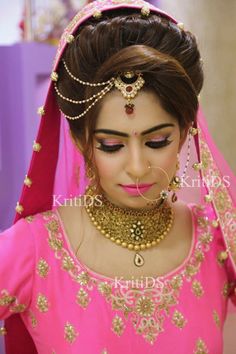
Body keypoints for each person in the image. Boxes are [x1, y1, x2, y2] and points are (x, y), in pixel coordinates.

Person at [0, 1, 236, 353]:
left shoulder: (219, 242)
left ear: (186, 132)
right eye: (112, 145)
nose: (138, 166)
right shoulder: (34, 249)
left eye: (158, 141)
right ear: (81, 141)